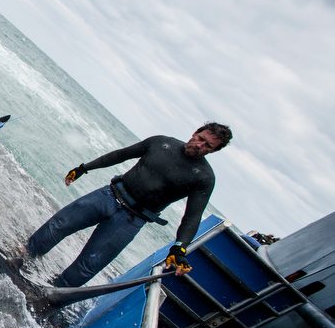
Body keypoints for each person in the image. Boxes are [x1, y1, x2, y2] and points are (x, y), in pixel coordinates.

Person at [24, 122, 233, 287]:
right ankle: (22, 258)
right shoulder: (161, 143)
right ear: (196, 132)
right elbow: (120, 155)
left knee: (89, 264)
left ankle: (48, 296)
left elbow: (192, 216)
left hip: (132, 220)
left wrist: (179, 248)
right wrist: (83, 168)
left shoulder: (204, 178)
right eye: (200, 138)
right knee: (58, 225)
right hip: (108, 196)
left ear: (213, 151)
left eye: (207, 146)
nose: (199, 145)